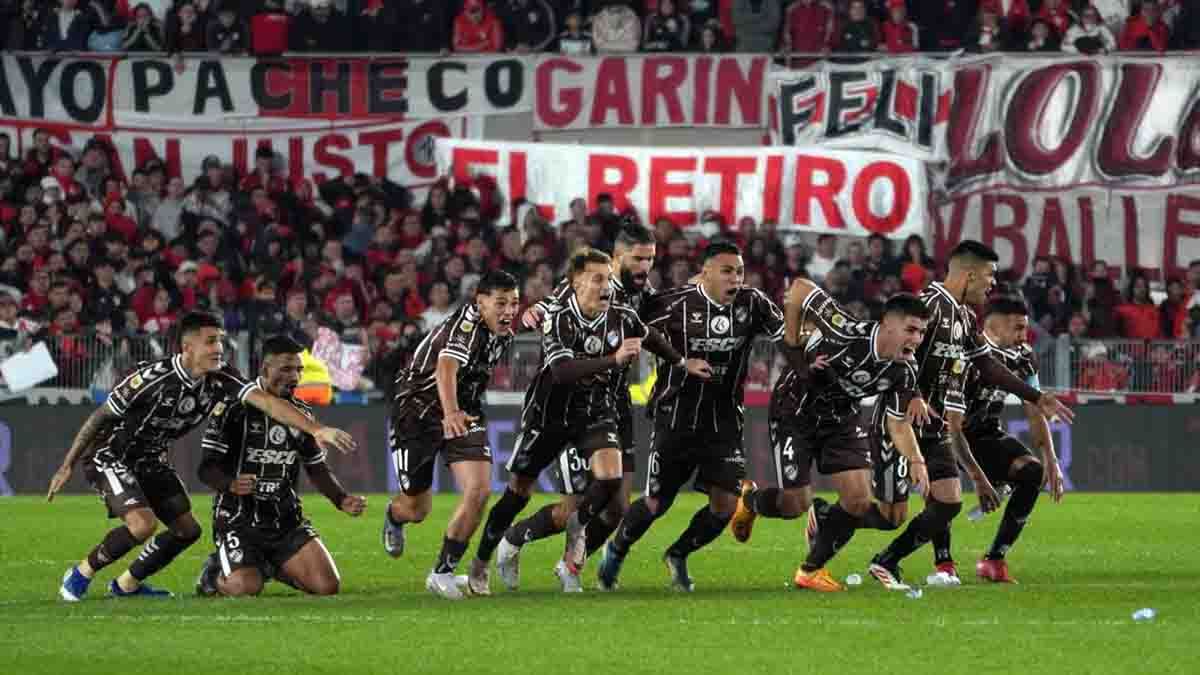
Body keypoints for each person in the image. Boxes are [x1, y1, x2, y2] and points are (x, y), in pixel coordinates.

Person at [48, 312, 356, 602]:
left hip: (151, 459)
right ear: (187, 347)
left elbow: (267, 402)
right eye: (210, 341)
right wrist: (67, 465)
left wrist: (317, 429)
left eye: (220, 340)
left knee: (187, 531)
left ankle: (126, 584)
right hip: (110, 455)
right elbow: (99, 417)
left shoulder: (222, 378)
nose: (219, 348)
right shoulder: (151, 379)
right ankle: (79, 575)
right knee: (143, 525)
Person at [473, 248, 699, 592]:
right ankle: (502, 546)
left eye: (609, 278)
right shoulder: (559, 318)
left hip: (594, 410)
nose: (607, 286)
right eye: (598, 279)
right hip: (549, 416)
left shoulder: (621, 315)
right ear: (576, 283)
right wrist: (613, 359)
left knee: (609, 480)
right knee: (518, 493)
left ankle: (576, 538)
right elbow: (563, 371)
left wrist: (682, 362)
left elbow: (648, 336)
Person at [859, 241, 1074, 589]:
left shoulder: (963, 316)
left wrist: (1035, 395)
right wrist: (912, 392)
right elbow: (890, 345)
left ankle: (886, 562)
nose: (992, 284)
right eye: (989, 276)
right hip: (899, 420)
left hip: (934, 425)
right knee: (890, 515)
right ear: (970, 274)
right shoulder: (928, 305)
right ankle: (829, 519)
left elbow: (986, 365)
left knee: (948, 502)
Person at [595, 241, 791, 592]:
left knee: (725, 506)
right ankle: (618, 548)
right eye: (727, 271)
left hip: (725, 420)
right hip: (676, 416)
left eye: (740, 272)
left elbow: (787, 339)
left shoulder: (754, 303)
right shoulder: (673, 303)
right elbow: (633, 325)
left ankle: (678, 554)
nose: (736, 279)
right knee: (657, 502)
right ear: (706, 273)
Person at [730, 287, 932, 592]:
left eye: (921, 332)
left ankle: (811, 570)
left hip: (841, 421)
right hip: (794, 413)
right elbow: (798, 289)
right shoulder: (845, 331)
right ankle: (750, 501)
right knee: (794, 504)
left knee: (859, 500)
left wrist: (916, 459)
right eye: (911, 330)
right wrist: (793, 345)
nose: (917, 339)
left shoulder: (904, 369)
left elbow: (898, 422)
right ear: (887, 325)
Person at [383, 271, 520, 600]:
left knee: (479, 490)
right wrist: (450, 413)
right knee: (417, 509)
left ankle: (442, 572)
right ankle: (394, 515)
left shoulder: (502, 332)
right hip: (416, 414)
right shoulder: (465, 328)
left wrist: (458, 412)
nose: (508, 311)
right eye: (500, 303)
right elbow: (446, 368)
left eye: (514, 303)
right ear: (480, 301)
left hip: (462, 410)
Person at [195, 336, 367, 597]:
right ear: (265, 370)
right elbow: (206, 469)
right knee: (245, 587)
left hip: (285, 521)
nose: (294, 377)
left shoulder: (300, 414)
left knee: (327, 587)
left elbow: (315, 467)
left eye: (298, 370)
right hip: (238, 521)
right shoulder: (232, 408)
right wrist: (230, 484)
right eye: (286, 369)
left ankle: (271, 564)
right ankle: (212, 576)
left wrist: (341, 499)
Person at [950, 297, 1065, 583]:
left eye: (1025, 329)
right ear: (994, 324)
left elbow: (1034, 410)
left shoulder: (1024, 357)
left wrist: (1052, 460)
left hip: (987, 434)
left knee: (1033, 473)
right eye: (1017, 328)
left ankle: (994, 559)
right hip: (948, 434)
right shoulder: (967, 353)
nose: (1023, 336)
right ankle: (943, 564)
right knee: (938, 501)